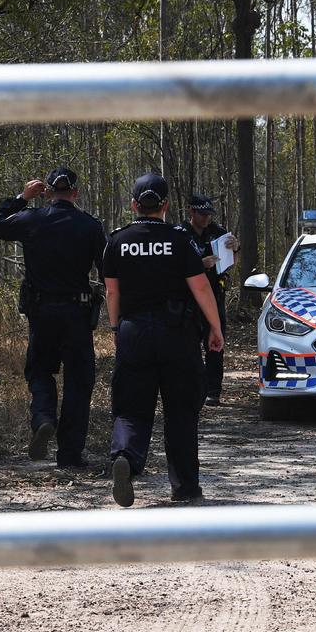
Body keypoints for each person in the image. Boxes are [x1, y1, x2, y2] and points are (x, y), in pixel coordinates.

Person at [103, 174, 224, 507]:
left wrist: (116, 329)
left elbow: (112, 291)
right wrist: (215, 327)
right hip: (177, 335)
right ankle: (185, 488)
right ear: (167, 206)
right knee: (181, 413)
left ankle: (125, 457)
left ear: (134, 204)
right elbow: (200, 287)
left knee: (130, 409)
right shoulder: (180, 240)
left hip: (133, 333)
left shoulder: (117, 241)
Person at [0, 166, 106, 468]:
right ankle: (69, 454)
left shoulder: (32, 219)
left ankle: (43, 417)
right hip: (77, 313)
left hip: (41, 313)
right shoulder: (90, 226)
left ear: (47, 192)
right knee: (79, 381)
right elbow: (108, 271)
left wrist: (21, 198)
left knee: (40, 371)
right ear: (76, 193)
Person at [185, 193, 239, 406]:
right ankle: (192, 388)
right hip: (188, 298)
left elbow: (233, 260)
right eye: (202, 214)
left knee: (215, 345)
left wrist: (235, 247)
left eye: (209, 214)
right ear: (192, 211)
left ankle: (213, 391)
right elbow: (174, 266)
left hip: (214, 296)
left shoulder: (217, 233)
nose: (206, 218)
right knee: (189, 346)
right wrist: (200, 264)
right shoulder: (180, 234)